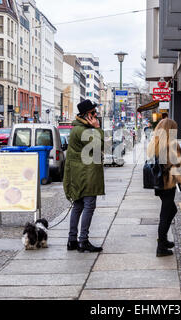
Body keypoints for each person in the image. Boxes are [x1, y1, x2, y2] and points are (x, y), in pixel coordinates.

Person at [64, 99, 105, 253]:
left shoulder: (78, 128)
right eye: (93, 113)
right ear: (87, 115)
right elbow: (100, 145)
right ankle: (83, 240)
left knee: (78, 205)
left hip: (79, 173)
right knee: (88, 206)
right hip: (86, 175)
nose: (96, 116)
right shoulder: (83, 131)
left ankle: (72, 240)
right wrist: (98, 128)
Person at [147, 119, 181, 257]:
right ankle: (161, 247)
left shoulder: (155, 143)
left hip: (159, 183)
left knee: (171, 210)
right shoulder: (172, 145)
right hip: (168, 183)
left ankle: (163, 240)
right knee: (165, 214)